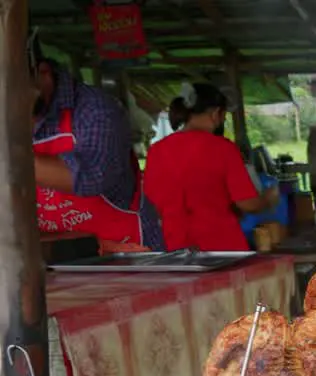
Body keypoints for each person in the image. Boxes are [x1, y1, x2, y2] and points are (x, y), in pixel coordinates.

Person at [29, 30, 163, 253]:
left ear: (43, 73)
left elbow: (93, 176)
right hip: (59, 260)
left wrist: (11, 156)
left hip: (125, 254)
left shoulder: (94, 109)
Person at [144, 83, 277, 252]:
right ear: (215, 114)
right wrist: (269, 198)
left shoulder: (157, 150)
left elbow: (152, 205)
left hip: (174, 247)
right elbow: (248, 204)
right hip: (220, 246)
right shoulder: (223, 148)